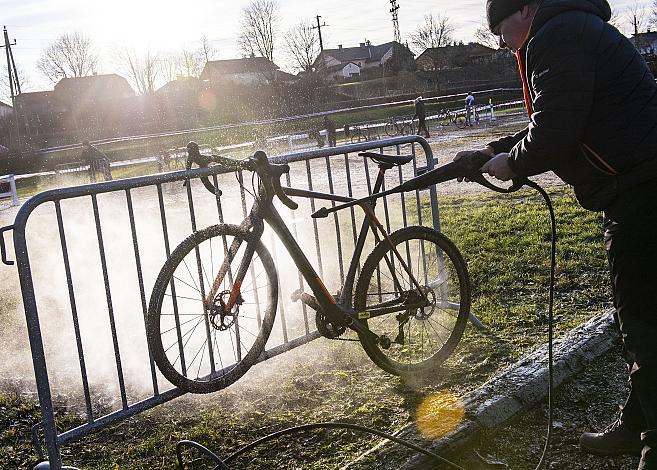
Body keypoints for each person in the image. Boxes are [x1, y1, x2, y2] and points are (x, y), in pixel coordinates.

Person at [455, 0, 657, 468]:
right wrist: (495, 148)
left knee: (645, 324)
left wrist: (515, 162)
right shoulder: (571, 28)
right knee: (644, 316)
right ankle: (637, 425)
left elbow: (557, 129)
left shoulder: (556, 35)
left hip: (642, 190)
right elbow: (564, 113)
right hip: (637, 184)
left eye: (501, 29)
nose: (501, 42)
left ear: (525, 10)